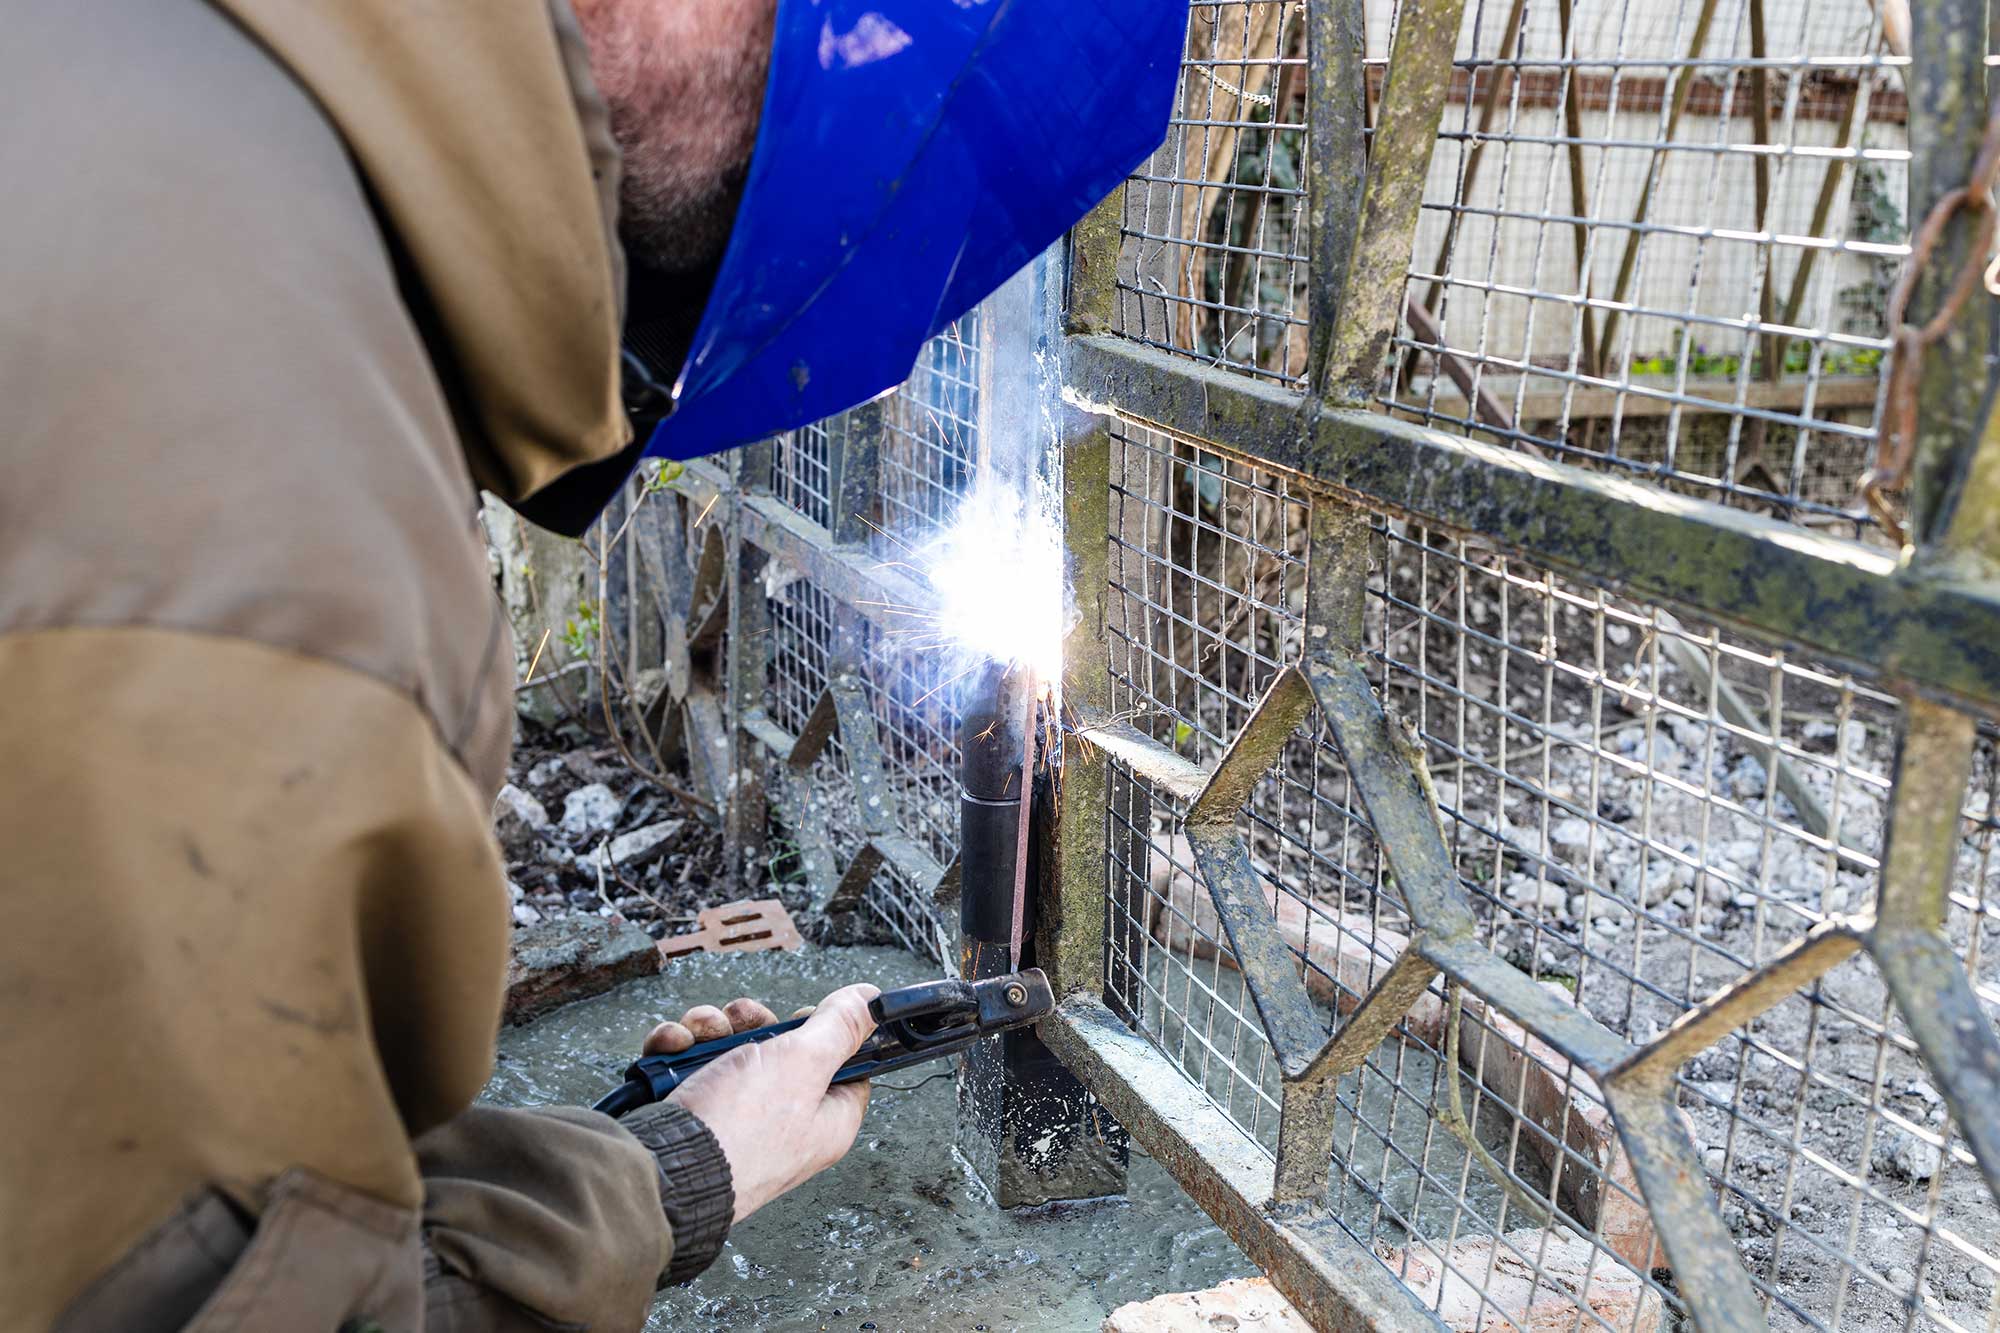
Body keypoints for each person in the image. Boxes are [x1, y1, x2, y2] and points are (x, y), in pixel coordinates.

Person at [0, 1, 878, 1328]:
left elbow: (147, 1171)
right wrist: (687, 1174)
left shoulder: (164, 109)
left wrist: (645, 1169)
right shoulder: (275, 472)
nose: (862, 65)